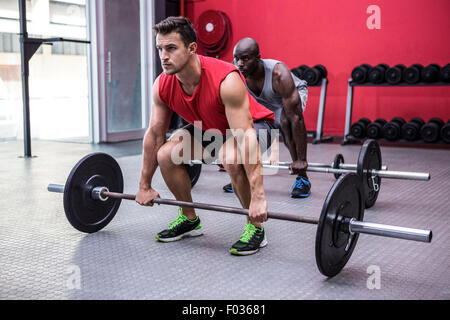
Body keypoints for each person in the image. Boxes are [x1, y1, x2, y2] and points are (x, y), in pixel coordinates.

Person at [135, 16, 276, 256]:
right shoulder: (162, 85)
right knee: (166, 153)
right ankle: (189, 219)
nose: (163, 56)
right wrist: (144, 185)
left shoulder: (226, 79)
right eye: (160, 48)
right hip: (212, 129)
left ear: (192, 48)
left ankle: (255, 226)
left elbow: (245, 137)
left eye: (171, 48)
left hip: (257, 128)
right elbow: (155, 134)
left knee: (231, 156)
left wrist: (259, 196)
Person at [224, 37, 311, 198]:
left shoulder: (279, 74)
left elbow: (296, 119)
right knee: (251, 134)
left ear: (258, 58)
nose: (240, 63)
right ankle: (243, 175)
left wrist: (302, 159)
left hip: (291, 97)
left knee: (285, 123)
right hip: (265, 104)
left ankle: (302, 178)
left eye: (245, 59)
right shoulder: (236, 73)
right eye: (237, 58)